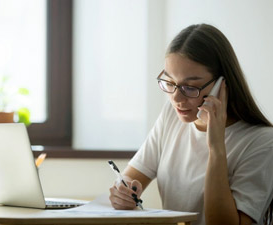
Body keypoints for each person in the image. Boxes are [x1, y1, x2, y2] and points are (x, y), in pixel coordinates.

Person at [109, 24, 273, 225]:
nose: (177, 98)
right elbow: (129, 179)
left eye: (190, 87)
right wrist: (122, 194)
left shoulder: (262, 141)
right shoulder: (172, 116)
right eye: (170, 82)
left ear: (223, 84)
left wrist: (216, 148)